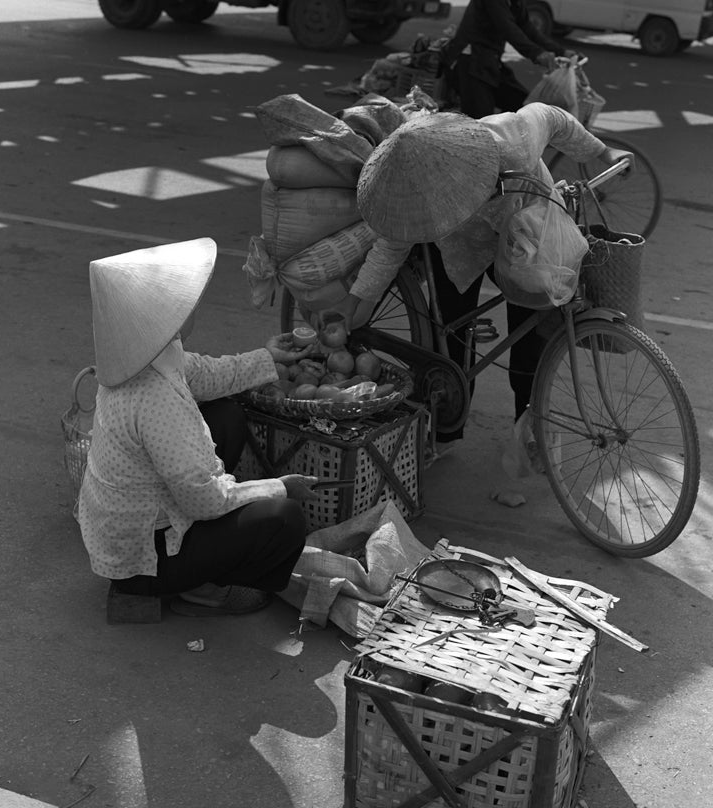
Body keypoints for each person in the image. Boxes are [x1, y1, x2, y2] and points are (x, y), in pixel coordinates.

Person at [332, 105, 633, 442]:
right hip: (460, 251)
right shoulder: (415, 193)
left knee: (530, 334)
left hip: (528, 233)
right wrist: (355, 302)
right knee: (451, 335)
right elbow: (390, 249)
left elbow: (555, 118)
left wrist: (604, 151)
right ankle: (446, 429)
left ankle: (530, 429)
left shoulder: (513, 139)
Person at [77, 237, 320, 617]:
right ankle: (203, 588)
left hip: (129, 524)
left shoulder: (145, 356)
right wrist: (277, 487)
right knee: (285, 518)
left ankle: (202, 564)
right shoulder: (155, 398)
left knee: (226, 415)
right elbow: (204, 501)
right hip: (145, 562)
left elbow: (204, 374)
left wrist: (267, 358)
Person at [442, 0, 570, 119]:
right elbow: (507, 28)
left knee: (523, 105)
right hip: (471, 61)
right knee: (481, 121)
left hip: (491, 62)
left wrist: (561, 51)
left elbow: (527, 28)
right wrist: (536, 53)